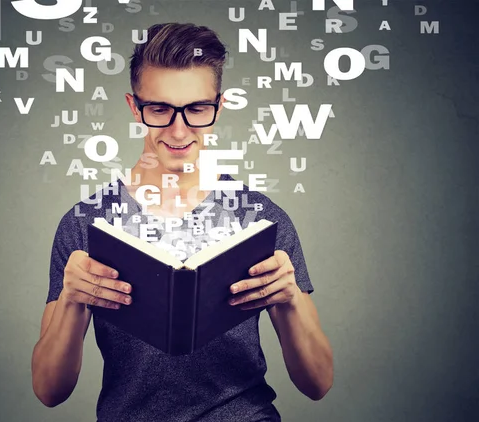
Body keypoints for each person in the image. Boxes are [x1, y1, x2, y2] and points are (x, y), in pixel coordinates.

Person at [31, 23, 333, 422]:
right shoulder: (86, 223)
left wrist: (290, 297)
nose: (178, 130)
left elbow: (318, 383)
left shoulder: (260, 218)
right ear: (134, 106)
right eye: (159, 109)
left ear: (218, 107)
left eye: (196, 109)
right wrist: (71, 300)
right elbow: (49, 391)